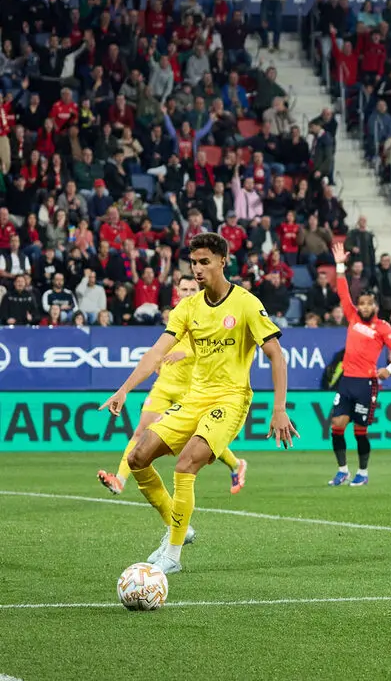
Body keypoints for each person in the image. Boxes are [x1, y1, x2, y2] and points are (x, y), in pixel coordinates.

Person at [99, 233, 298, 575]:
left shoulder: (247, 303)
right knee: (137, 457)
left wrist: (279, 409)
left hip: (231, 399)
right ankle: (178, 529)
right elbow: (156, 352)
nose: (198, 269)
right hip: (194, 399)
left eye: (205, 261)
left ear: (223, 261)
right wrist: (124, 389)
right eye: (193, 263)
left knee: (186, 463)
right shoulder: (187, 308)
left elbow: (276, 356)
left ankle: (173, 555)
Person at [97, 275, 247, 497]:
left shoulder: (210, 316)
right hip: (165, 385)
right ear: (177, 292)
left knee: (201, 436)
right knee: (141, 431)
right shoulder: (178, 315)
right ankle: (119, 480)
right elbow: (161, 347)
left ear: (200, 289)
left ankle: (235, 464)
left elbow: (217, 352)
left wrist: (183, 353)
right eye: (184, 289)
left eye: (192, 288)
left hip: (192, 389)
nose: (188, 292)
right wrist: (160, 361)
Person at [326, 242, 391, 487]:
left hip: (367, 383)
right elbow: (342, 291)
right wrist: (340, 265)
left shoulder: (383, 327)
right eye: (362, 304)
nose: (365, 307)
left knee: (360, 430)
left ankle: (363, 472)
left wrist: (389, 369)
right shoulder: (352, 316)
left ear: (376, 306)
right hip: (347, 381)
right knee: (337, 425)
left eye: (369, 303)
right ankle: (342, 470)